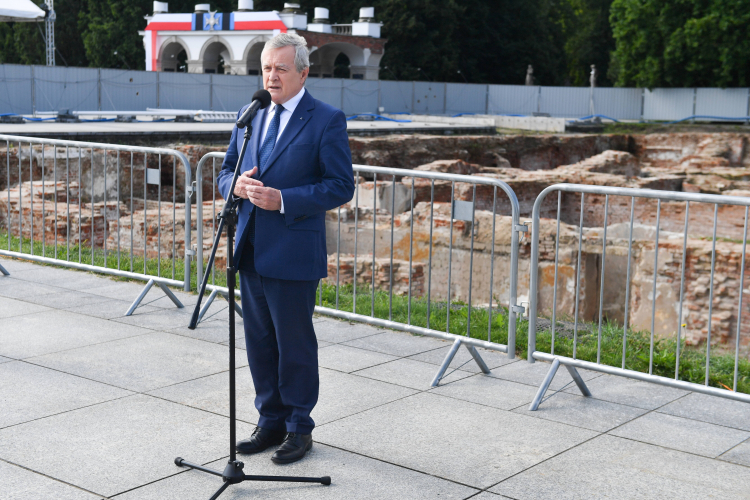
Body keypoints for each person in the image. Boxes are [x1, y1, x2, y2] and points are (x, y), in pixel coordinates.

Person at [217, 32, 354, 464]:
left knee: (294, 344)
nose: (271, 77)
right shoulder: (250, 113)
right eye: (265, 68)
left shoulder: (326, 119)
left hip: (293, 250)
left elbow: (340, 185)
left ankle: (299, 426)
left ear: (303, 72)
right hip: (252, 247)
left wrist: (285, 199)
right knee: (258, 342)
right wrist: (235, 186)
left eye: (280, 69)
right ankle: (269, 420)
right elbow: (224, 173)